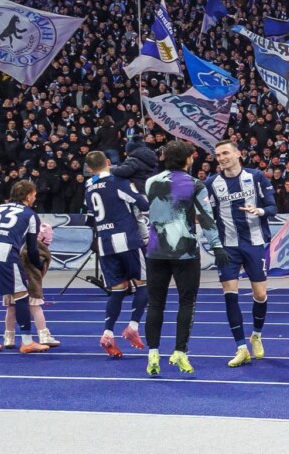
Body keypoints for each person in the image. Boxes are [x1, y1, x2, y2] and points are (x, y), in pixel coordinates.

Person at [143, 140, 227, 376]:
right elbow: (206, 217)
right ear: (189, 159)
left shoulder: (150, 182)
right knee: (186, 302)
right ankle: (180, 352)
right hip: (185, 251)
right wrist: (217, 247)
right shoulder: (195, 184)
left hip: (156, 250)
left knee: (155, 304)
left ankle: (152, 354)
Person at [206, 140, 278, 367]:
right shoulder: (211, 183)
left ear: (238, 154)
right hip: (227, 246)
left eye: (225, 153)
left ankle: (256, 335)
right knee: (229, 294)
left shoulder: (256, 177)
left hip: (254, 243)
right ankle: (240, 347)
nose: (221, 158)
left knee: (260, 294)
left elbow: (272, 208)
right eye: (218, 155)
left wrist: (259, 211)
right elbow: (208, 214)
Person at [83, 150, 150, 359]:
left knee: (117, 290)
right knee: (144, 284)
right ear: (109, 163)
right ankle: (133, 326)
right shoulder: (117, 181)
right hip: (127, 240)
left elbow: (91, 216)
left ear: (89, 168)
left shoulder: (88, 186)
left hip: (105, 243)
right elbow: (142, 204)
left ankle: (108, 333)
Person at [0, 180, 47, 354]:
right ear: (29, 196)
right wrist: (38, 266)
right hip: (4, 253)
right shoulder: (30, 214)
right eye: (34, 195)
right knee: (21, 296)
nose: (34, 198)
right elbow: (32, 248)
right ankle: (27, 341)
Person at [5, 217, 59, 348]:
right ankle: (43, 334)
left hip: (12, 280)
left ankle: (9, 337)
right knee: (36, 308)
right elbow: (39, 266)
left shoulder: (17, 244)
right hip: (31, 283)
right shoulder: (38, 249)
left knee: (11, 309)